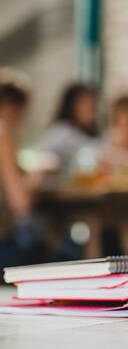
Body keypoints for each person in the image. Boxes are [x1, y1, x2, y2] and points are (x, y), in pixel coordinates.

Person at [0, 69, 45, 269]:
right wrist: (40, 172)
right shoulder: (3, 131)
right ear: (10, 107)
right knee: (64, 254)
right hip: (4, 250)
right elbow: (21, 203)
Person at [38, 83, 100, 179]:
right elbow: (99, 153)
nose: (93, 111)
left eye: (93, 106)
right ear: (72, 106)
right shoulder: (63, 133)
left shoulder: (75, 133)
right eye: (88, 105)